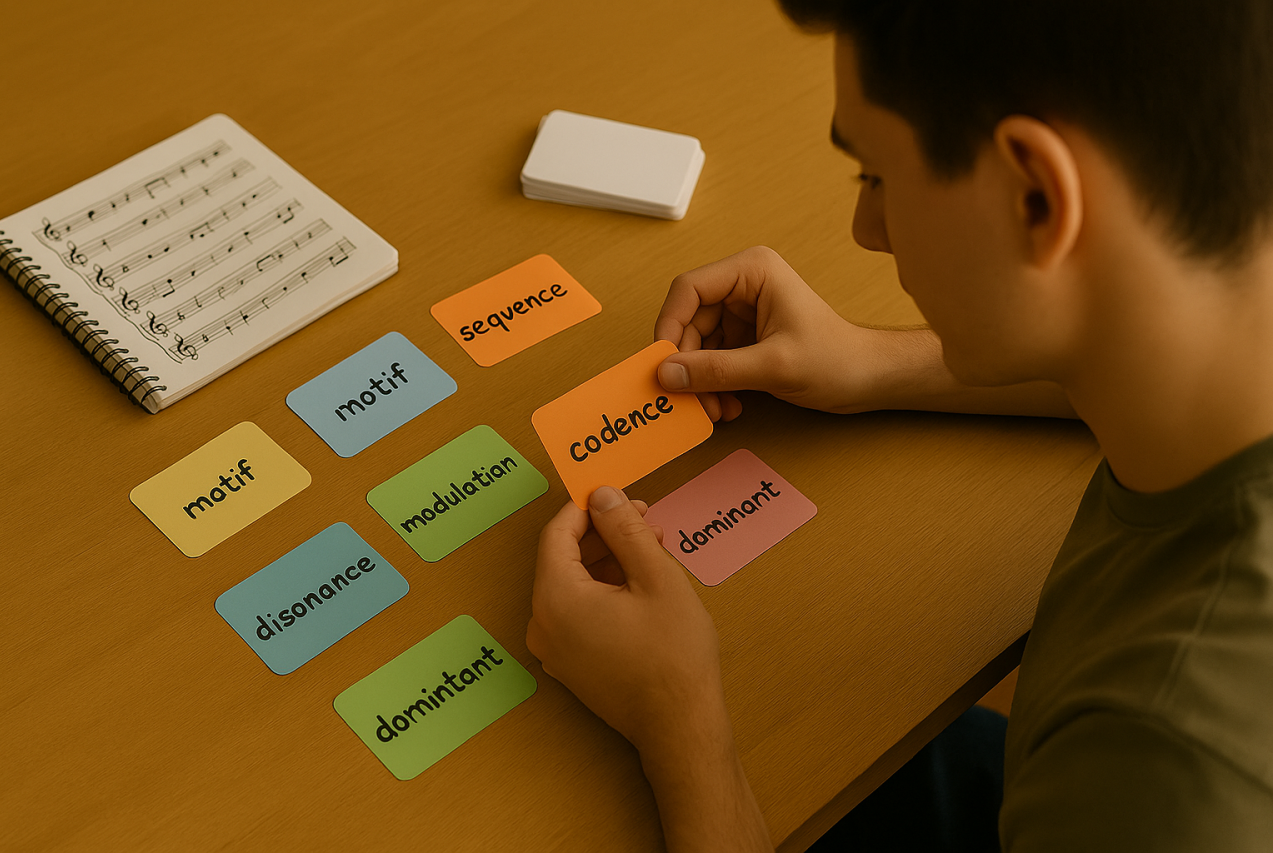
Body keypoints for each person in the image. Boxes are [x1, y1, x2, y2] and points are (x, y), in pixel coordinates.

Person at [526, 0, 1273, 849]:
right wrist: (870, 362)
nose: (864, 230)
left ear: (1036, 195)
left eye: (874, 177)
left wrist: (681, 722)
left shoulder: (1169, 772)